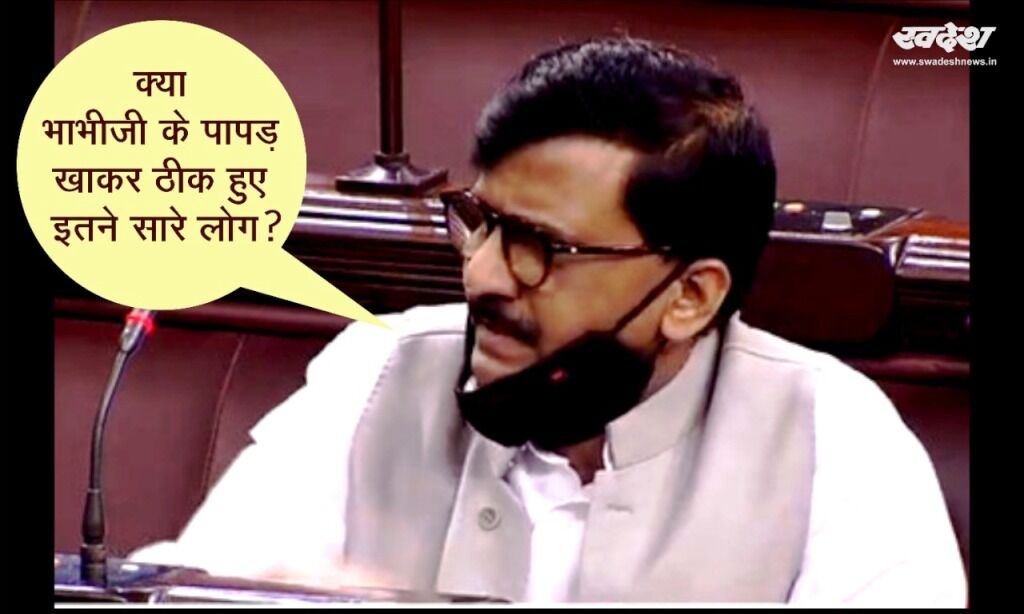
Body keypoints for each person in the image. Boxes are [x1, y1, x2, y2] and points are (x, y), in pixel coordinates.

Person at [131, 37, 966, 604]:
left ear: (690, 296)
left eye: (541, 247)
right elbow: (193, 588)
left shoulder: (833, 437)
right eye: (481, 222)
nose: (483, 275)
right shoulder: (379, 369)